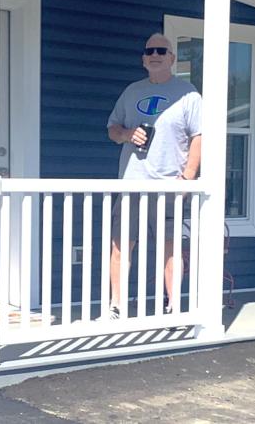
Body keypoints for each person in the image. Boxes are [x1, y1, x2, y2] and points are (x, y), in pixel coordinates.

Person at [106, 32, 201, 319]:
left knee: (170, 250)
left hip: (170, 187)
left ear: (172, 58)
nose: (155, 55)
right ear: (143, 59)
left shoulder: (188, 94)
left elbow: (200, 136)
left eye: (162, 50)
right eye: (150, 51)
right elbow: (112, 129)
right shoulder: (132, 91)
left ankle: (173, 306)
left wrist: (187, 178)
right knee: (121, 246)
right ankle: (117, 305)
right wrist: (125, 134)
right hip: (133, 182)